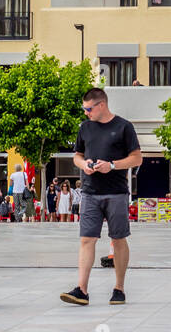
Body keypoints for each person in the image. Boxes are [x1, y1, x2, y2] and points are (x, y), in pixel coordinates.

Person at [60, 87, 142, 307]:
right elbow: (77, 156)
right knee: (87, 239)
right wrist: (84, 164)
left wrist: (112, 166)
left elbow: (137, 159)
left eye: (88, 109)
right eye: (84, 109)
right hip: (89, 192)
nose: (86, 113)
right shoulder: (85, 128)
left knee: (118, 239)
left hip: (116, 192)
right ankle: (82, 290)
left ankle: (119, 289)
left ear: (101, 105)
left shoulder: (124, 127)